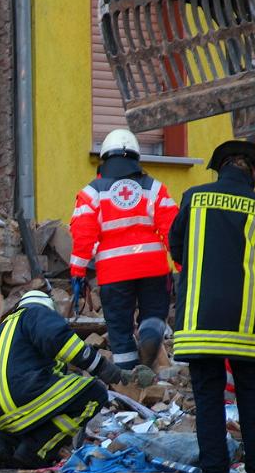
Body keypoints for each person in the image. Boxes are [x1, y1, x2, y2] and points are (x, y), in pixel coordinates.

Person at [169, 140, 255, 473]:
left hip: (200, 320)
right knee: (253, 398)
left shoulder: (193, 197)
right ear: (251, 172)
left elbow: (176, 246)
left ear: (222, 168)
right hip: (246, 322)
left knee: (208, 396)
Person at [0, 290, 148, 468]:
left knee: (60, 394)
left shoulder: (6, 327)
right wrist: (104, 368)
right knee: (94, 394)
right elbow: (62, 341)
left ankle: (6, 442)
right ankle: (35, 451)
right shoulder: (36, 312)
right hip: (16, 396)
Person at [70, 128, 178, 371]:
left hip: (113, 272)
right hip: (153, 267)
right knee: (153, 316)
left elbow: (83, 234)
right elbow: (174, 230)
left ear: (105, 158)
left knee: (119, 329)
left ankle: (130, 377)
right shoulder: (154, 188)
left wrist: (77, 272)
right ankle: (150, 333)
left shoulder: (92, 192)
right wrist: (182, 265)